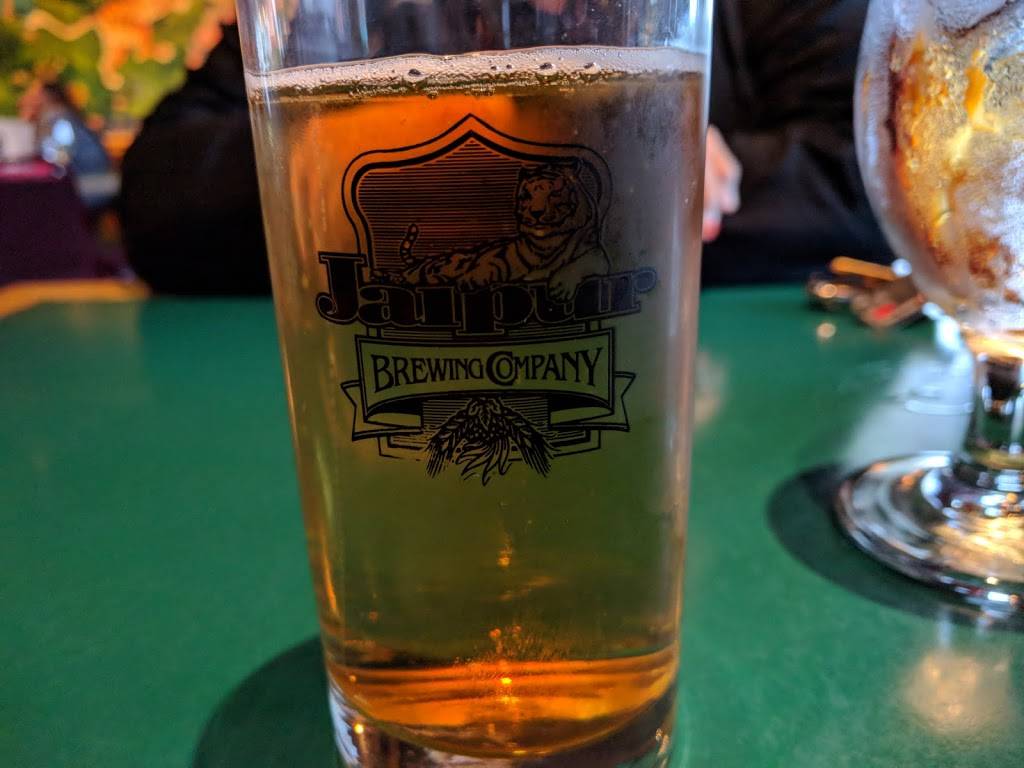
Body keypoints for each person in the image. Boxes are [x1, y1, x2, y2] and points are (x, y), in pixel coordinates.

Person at [121, 0, 889, 294]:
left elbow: (876, 184)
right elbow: (162, 200)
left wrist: (664, 172)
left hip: (700, 417)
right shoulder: (339, 9)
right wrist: (572, 127)